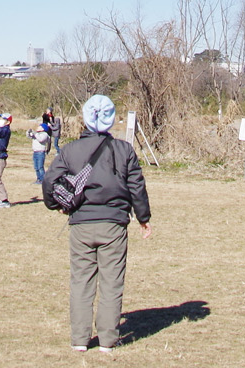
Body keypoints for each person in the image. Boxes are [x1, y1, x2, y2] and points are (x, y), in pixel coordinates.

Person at [42, 95, 152, 354]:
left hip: (80, 223)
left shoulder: (69, 150)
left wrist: (55, 204)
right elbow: (137, 187)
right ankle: (108, 340)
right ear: (111, 119)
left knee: (81, 281)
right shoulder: (125, 150)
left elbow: (49, 182)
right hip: (114, 224)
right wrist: (143, 218)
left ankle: (80, 340)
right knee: (112, 282)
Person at [30, 120, 53, 189]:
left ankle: (43, 180)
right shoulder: (37, 134)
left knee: (40, 167)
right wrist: (29, 133)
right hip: (35, 152)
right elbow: (30, 136)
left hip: (40, 152)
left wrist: (35, 134)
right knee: (36, 167)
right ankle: (38, 179)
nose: (38, 127)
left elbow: (41, 139)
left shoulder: (44, 134)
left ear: (43, 129)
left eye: (40, 127)